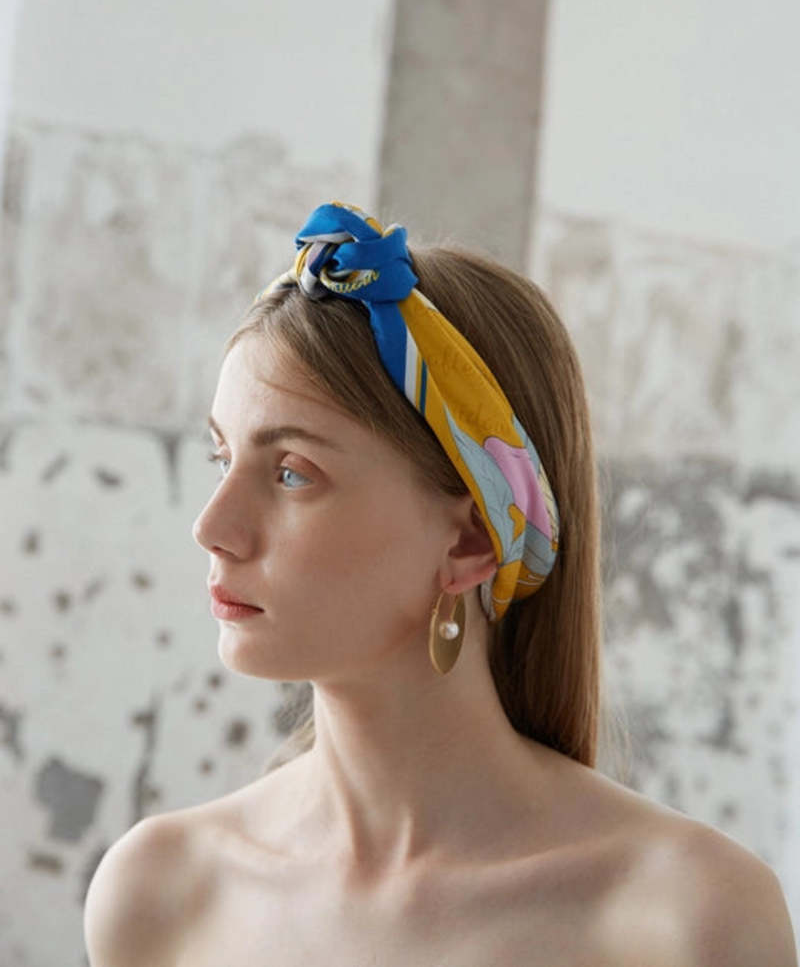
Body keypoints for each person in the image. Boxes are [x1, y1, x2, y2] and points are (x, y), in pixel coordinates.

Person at [84, 202, 798, 966]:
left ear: (470, 539)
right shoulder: (158, 894)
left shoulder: (688, 920)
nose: (212, 526)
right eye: (222, 459)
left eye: (292, 473)